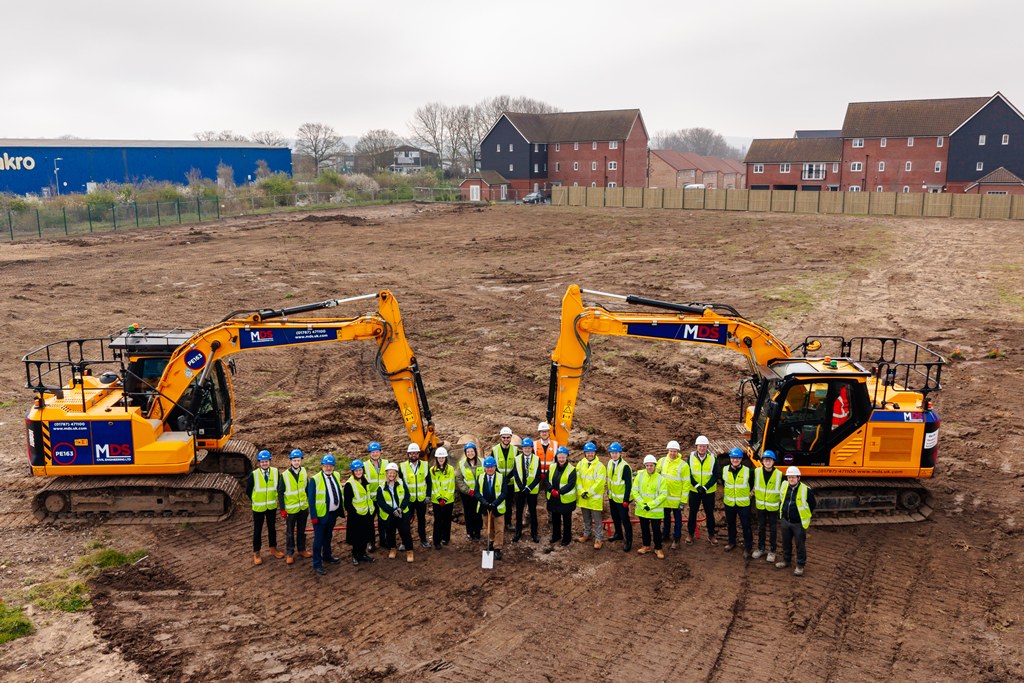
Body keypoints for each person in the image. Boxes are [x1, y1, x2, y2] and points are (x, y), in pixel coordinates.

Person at [306, 454, 344, 576]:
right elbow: (311, 500)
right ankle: (317, 563)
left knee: (328, 536)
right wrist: (314, 517)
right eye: (326, 465)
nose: (328, 468)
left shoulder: (336, 475)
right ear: (322, 466)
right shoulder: (315, 479)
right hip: (321, 516)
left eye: (330, 466)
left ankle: (327, 556)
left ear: (333, 467)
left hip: (332, 514)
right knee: (318, 540)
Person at [247, 449, 284, 566]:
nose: (264, 463)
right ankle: (256, 552)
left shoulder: (275, 472)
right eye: (262, 462)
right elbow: (248, 490)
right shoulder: (254, 474)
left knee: (272, 528)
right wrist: (255, 500)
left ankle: (273, 548)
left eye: (266, 461)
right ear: (259, 463)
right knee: (257, 530)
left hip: (271, 506)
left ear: (269, 461)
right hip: (258, 508)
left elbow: (278, 487)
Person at [776, 466, 816, 576]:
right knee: (786, 543)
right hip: (785, 521)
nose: (791, 479)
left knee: (800, 545)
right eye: (789, 477)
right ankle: (786, 560)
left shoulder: (805, 490)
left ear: (798, 478)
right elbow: (782, 499)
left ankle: (800, 565)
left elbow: (812, 504)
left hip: (798, 523)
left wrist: (804, 516)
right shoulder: (784, 486)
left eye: (793, 477)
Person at [277, 448, 311, 565]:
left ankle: (301, 549)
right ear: (290, 461)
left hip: (303, 508)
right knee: (290, 532)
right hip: (291, 510)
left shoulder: (304, 472)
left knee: (301, 530)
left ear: (301, 460)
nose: (296, 462)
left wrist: (309, 503)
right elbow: (280, 493)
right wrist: (282, 509)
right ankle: (290, 553)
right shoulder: (285, 475)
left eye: (298, 460)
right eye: (294, 460)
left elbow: (307, 488)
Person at [632, 455, 667, 559]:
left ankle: (658, 548)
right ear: (645, 466)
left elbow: (663, 495)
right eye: (647, 465)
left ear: (655, 466)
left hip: (655, 511)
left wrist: (650, 505)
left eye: (651, 465)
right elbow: (635, 491)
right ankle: (646, 546)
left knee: (656, 530)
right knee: (644, 529)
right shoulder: (640, 476)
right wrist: (643, 504)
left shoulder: (661, 479)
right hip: (643, 510)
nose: (649, 467)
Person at [378, 462, 414, 562]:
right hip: (389, 514)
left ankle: (409, 551)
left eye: (394, 473)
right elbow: (381, 502)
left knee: (405, 532)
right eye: (390, 473)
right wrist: (392, 511)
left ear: (396, 474)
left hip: (402, 513)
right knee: (390, 532)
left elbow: (407, 497)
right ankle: (392, 549)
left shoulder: (402, 483)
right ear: (386, 474)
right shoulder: (381, 487)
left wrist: (400, 509)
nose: (392, 475)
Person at [686, 435, 719, 545]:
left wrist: (705, 487)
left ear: (707, 447)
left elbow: (715, 475)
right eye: (700, 446)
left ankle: (711, 535)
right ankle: (690, 534)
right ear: (696, 446)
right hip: (694, 491)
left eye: (704, 446)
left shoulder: (713, 458)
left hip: (708, 492)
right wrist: (696, 485)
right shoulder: (690, 457)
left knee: (710, 514)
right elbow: (688, 473)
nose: (702, 448)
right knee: (692, 513)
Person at [657, 440, 689, 550]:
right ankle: (665, 535)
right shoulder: (661, 461)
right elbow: (654, 473)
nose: (672, 453)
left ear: (678, 452)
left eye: (674, 451)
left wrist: (683, 501)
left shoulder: (683, 465)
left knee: (678, 520)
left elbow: (686, 484)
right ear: (668, 450)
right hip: (665, 497)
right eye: (671, 451)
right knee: (665, 518)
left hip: (677, 499)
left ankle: (676, 539)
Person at [722, 448, 754, 558]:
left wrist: (748, 496)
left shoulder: (747, 471)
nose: (735, 460)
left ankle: (748, 547)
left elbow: (751, 484)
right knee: (731, 524)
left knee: (746, 525)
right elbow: (723, 483)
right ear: (730, 458)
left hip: (743, 504)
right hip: (729, 503)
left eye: (738, 458)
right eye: (733, 458)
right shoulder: (725, 470)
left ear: (741, 459)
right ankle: (731, 542)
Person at [343, 459, 376, 565]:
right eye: (356, 471)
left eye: (360, 470)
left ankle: (362, 554)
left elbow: (367, 496)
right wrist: (355, 513)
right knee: (357, 538)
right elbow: (347, 503)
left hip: (367, 513)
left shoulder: (364, 480)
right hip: (356, 516)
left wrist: (371, 509)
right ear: (353, 472)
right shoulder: (349, 484)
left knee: (365, 536)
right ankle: (355, 555)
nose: (358, 472)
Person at [752, 450, 782, 563]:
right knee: (761, 528)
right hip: (760, 506)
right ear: (762, 461)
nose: (767, 462)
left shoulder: (779, 475)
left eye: (770, 460)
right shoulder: (756, 472)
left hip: (773, 508)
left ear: (773, 461)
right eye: (765, 460)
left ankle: (772, 551)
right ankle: (760, 548)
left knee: (773, 530)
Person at [400, 443, 432, 550]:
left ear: (418, 454)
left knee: (421, 521)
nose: (413, 455)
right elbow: (399, 484)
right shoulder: (402, 466)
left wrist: (428, 495)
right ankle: (405, 542)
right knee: (405, 522)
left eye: (415, 453)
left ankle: (423, 539)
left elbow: (429, 482)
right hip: (408, 501)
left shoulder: (425, 465)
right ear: (408, 454)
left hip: (421, 500)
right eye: (411, 453)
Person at [474, 456, 507, 560]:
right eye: (487, 467)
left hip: (497, 508)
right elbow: (476, 492)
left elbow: (504, 493)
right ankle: (491, 544)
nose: (489, 469)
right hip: (485, 508)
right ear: (484, 468)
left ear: (495, 467)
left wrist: (495, 503)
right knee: (489, 528)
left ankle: (497, 548)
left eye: (491, 467)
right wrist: (484, 502)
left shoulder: (501, 477)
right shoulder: (480, 477)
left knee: (499, 529)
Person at [576, 441, 607, 549]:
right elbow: (578, 479)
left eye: (592, 452)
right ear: (585, 453)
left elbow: (599, 483)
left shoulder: (600, 467)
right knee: (586, 518)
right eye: (588, 452)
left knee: (597, 520)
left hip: (594, 498)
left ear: (595, 453)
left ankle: (599, 538)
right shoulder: (580, 464)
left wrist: (588, 493)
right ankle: (587, 534)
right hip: (583, 497)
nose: (590, 454)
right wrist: (581, 492)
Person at [605, 441, 633, 552]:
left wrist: (626, 499)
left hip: (622, 500)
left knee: (625, 520)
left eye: (616, 452)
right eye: (612, 453)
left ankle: (629, 540)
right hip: (612, 497)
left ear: (620, 453)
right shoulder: (610, 463)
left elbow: (628, 484)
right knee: (615, 517)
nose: (614, 454)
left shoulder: (625, 467)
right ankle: (618, 534)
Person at [512, 437, 541, 542]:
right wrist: (521, 487)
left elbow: (538, 477)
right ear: (522, 448)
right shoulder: (517, 459)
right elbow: (515, 474)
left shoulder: (537, 459)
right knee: (519, 512)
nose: (527, 450)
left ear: (531, 448)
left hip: (532, 491)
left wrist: (529, 487)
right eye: (525, 448)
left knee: (533, 512)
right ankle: (518, 532)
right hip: (520, 491)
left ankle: (534, 534)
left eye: (529, 448)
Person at [546, 446, 577, 546]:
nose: (561, 459)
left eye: (563, 457)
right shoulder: (552, 467)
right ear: (557, 457)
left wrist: (559, 492)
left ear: (567, 457)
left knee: (567, 519)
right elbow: (546, 480)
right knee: (555, 518)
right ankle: (556, 536)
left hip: (565, 500)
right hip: (553, 498)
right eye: (559, 457)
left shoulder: (571, 469)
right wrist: (551, 490)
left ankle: (567, 538)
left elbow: (571, 484)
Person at [491, 427, 519, 531]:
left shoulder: (515, 450)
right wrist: (501, 478)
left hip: (510, 482)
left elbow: (517, 466)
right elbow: (492, 466)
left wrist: (509, 477)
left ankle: (508, 523)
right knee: (497, 502)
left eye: (508, 437)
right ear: (501, 438)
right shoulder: (495, 450)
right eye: (504, 437)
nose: (506, 439)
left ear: (511, 438)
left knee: (508, 503)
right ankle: (498, 523)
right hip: (498, 482)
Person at [363, 441, 389, 553]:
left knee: (383, 521)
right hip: (371, 500)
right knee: (369, 522)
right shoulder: (364, 466)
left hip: (383, 498)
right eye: (372, 452)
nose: (375, 454)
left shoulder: (386, 463)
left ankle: (383, 541)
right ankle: (371, 543)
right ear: (369, 453)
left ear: (380, 452)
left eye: (376, 451)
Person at [457, 442, 484, 541]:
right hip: (467, 494)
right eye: (468, 452)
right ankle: (470, 532)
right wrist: (468, 491)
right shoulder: (461, 464)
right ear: (465, 453)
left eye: (472, 451)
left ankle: (477, 532)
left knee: (478, 513)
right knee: (469, 513)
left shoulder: (482, 461)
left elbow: (486, 476)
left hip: (479, 493)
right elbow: (459, 479)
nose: (470, 453)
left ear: (475, 452)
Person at [429, 447, 455, 549]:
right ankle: (437, 541)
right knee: (438, 520)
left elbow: (451, 485)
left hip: (448, 500)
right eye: (439, 457)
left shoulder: (451, 469)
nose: (441, 459)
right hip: (437, 501)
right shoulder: (432, 470)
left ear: (445, 458)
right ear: (436, 458)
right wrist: (439, 499)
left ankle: (446, 538)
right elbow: (434, 486)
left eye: (442, 457)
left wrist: (446, 499)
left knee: (447, 519)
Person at [535, 421, 560, 485]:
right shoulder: (534, 444)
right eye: (542, 431)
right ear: (539, 433)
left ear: (549, 432)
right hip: (538, 475)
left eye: (546, 431)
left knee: (549, 493)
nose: (544, 433)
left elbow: (558, 461)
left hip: (551, 475)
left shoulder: (555, 444)